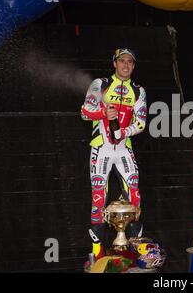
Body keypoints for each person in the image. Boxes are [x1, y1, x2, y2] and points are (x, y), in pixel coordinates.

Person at [81, 48, 147, 261]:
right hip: (101, 149)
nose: (126, 65)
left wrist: (124, 131)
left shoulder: (138, 90)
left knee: (134, 196)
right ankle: (97, 251)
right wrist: (103, 113)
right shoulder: (100, 85)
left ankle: (137, 249)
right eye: (122, 61)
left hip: (124, 149)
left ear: (134, 66)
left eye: (130, 62)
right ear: (114, 63)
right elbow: (84, 111)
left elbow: (141, 122)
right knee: (98, 198)